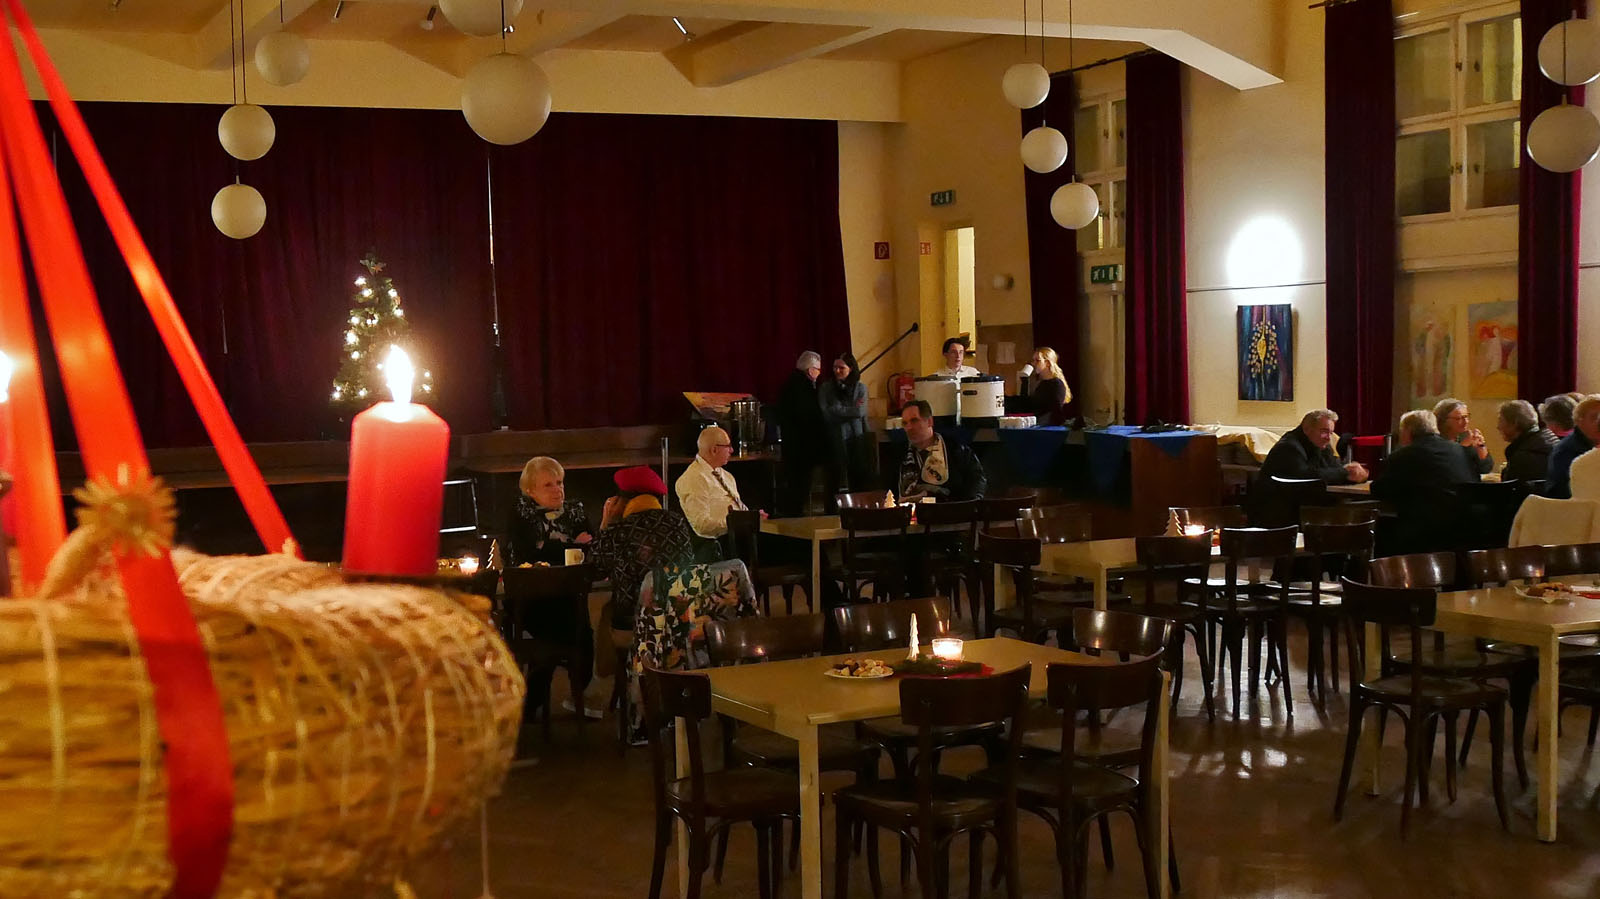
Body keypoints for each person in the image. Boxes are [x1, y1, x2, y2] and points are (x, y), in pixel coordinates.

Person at [1371, 409, 1479, 553]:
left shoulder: (1404, 456)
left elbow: (1380, 490)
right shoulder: (1460, 451)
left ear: (1408, 431)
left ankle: (1384, 567)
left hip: (1423, 533)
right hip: (1464, 527)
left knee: (1382, 527)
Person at [675, 426, 764, 547]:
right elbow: (702, 526)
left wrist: (753, 517)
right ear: (714, 450)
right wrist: (737, 523)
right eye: (728, 446)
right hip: (717, 545)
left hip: (741, 537)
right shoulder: (693, 478)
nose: (732, 450)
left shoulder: (726, 476)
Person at [505, 456, 593, 567]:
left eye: (559, 483)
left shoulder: (575, 511)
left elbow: (590, 550)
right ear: (531, 491)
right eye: (548, 485)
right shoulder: (522, 513)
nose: (557, 489)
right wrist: (574, 546)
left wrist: (546, 547)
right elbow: (529, 557)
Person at [897, 399, 986, 501]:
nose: (909, 427)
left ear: (929, 421)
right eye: (905, 423)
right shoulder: (899, 455)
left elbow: (977, 482)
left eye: (914, 421)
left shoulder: (956, 451)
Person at [1257, 408, 1369, 485]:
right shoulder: (1289, 447)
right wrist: (1346, 473)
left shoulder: (1321, 444)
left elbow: (1334, 468)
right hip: (1279, 507)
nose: (1328, 438)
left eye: (1331, 433)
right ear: (1307, 429)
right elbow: (1305, 475)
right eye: (1324, 431)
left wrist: (1357, 473)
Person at [776, 351, 826, 516]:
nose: (819, 374)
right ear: (811, 370)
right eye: (818, 370)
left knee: (793, 487)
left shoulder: (788, 384)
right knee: (800, 489)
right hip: (803, 448)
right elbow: (810, 418)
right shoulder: (805, 388)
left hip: (790, 446)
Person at [819, 352, 872, 501]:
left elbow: (859, 411)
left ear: (851, 368)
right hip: (834, 439)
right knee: (833, 479)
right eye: (834, 367)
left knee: (858, 477)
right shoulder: (826, 388)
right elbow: (826, 413)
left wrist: (837, 409)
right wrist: (849, 410)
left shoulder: (860, 388)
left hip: (856, 438)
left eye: (841, 368)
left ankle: (859, 507)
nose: (837, 371)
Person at [1548, 395, 1600, 499]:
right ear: (1579, 420)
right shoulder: (1566, 451)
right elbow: (1562, 491)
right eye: (1594, 417)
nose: (1599, 423)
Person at [1497, 399, 1558, 484]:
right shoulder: (1550, 439)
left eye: (1501, 420)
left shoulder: (1522, 457)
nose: (1498, 427)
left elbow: (1510, 490)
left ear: (1514, 423)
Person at [1433, 398, 1494, 475]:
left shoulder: (1465, 436)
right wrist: (1462, 447)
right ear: (1443, 420)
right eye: (1459, 418)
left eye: (1466, 416)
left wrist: (1481, 446)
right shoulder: (1434, 440)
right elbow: (1446, 468)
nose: (1466, 421)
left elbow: (1485, 469)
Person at [1027, 346, 1072, 426]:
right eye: (1033, 360)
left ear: (1047, 363)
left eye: (1037, 360)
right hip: (1041, 425)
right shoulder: (1042, 384)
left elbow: (1056, 411)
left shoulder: (1057, 384)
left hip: (1049, 427)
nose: (1033, 364)